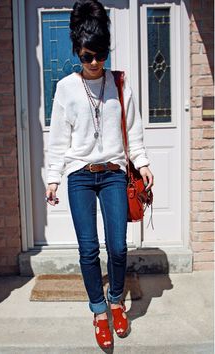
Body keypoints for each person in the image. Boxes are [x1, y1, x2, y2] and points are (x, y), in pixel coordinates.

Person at [45, 0, 154, 349]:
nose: (95, 63)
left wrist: (143, 161)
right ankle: (98, 310)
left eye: (101, 55)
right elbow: (59, 138)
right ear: (77, 51)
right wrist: (53, 177)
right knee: (89, 249)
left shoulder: (120, 84)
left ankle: (117, 300)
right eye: (88, 56)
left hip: (112, 174)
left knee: (119, 247)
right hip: (79, 174)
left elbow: (132, 130)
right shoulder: (65, 89)